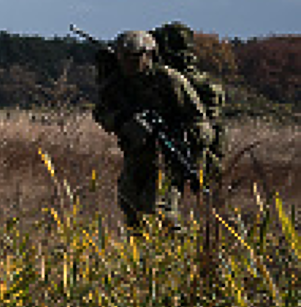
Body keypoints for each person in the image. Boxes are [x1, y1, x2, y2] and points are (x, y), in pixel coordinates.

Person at [91, 29, 212, 228]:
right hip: (136, 154)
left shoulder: (169, 80)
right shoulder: (116, 82)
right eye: (123, 56)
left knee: (162, 214)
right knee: (130, 207)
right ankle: (139, 255)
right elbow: (101, 113)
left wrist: (191, 152)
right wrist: (122, 121)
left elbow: (198, 120)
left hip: (167, 156)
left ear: (148, 55)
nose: (128, 62)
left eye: (134, 57)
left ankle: (175, 252)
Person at [153, 21, 227, 186]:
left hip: (192, 146)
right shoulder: (204, 82)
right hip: (199, 146)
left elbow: (208, 126)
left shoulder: (181, 81)